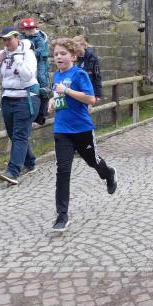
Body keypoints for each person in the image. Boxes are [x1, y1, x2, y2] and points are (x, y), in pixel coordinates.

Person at [48, 37, 118, 232]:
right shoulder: (56, 75)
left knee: (93, 162)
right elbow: (58, 96)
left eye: (63, 54)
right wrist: (52, 103)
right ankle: (62, 216)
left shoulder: (80, 74)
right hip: (62, 130)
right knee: (62, 171)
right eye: (56, 54)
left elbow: (90, 99)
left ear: (73, 56)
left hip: (82, 129)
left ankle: (109, 174)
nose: (58, 57)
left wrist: (67, 90)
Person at [0, 27, 40, 185]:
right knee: (14, 134)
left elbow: (27, 76)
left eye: (9, 39)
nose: (6, 43)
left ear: (17, 38)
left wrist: (18, 60)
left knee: (19, 136)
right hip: (8, 98)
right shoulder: (3, 55)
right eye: (4, 40)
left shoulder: (28, 54)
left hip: (26, 98)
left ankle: (13, 171)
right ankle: (30, 163)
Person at [19, 17, 50, 125]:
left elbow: (40, 50)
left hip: (39, 60)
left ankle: (44, 101)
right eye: (28, 29)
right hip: (26, 60)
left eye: (32, 29)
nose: (30, 31)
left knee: (41, 77)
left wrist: (29, 54)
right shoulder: (21, 36)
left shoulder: (39, 38)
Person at [73, 35, 103, 103]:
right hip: (77, 91)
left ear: (83, 45)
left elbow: (97, 76)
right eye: (74, 46)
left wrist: (98, 94)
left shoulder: (92, 58)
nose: (75, 48)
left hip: (88, 92)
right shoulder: (75, 58)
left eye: (76, 45)